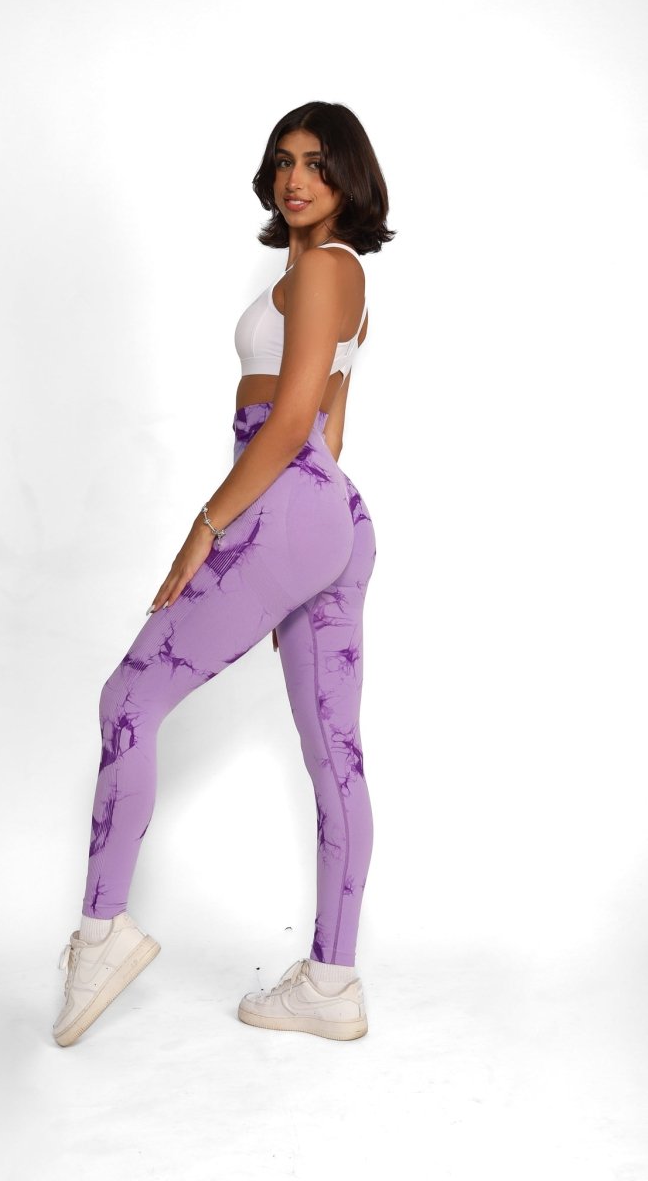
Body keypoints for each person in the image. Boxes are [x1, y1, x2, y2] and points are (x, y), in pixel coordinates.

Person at [53, 100, 394, 1047]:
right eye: (283, 161)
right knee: (336, 752)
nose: (295, 179)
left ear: (349, 177)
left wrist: (210, 528)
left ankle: (102, 935)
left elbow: (289, 425)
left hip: (283, 499)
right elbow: (332, 425)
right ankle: (332, 983)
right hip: (327, 511)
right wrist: (310, 542)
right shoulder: (338, 275)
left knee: (129, 698)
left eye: (317, 163)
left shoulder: (325, 267)